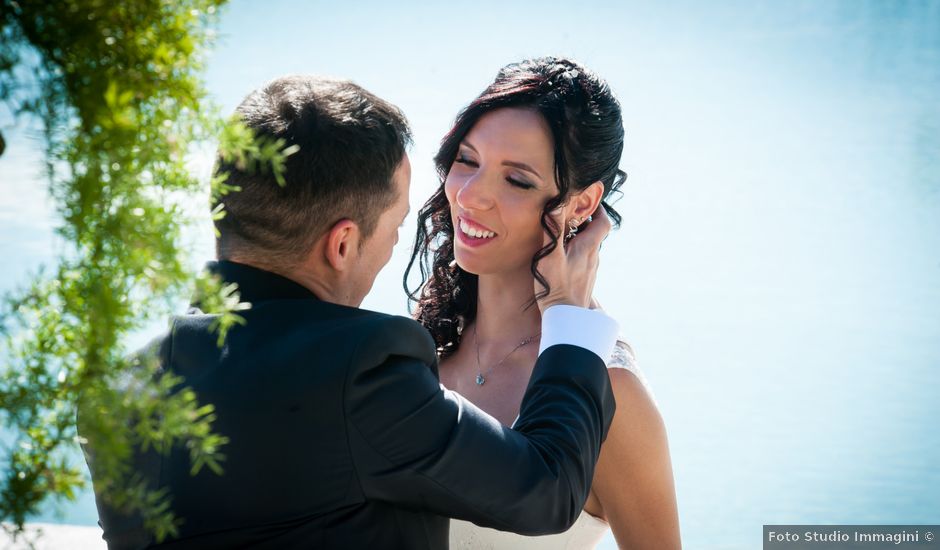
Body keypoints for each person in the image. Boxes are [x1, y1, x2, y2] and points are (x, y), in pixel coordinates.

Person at [81, 74, 622, 550]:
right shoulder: (360, 373)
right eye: (393, 227)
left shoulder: (115, 394)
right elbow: (547, 490)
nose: (395, 250)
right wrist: (570, 323)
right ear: (341, 245)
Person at [406, 57, 681, 549]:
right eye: (467, 160)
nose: (470, 197)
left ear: (581, 204)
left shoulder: (610, 388)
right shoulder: (426, 337)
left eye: (517, 181)